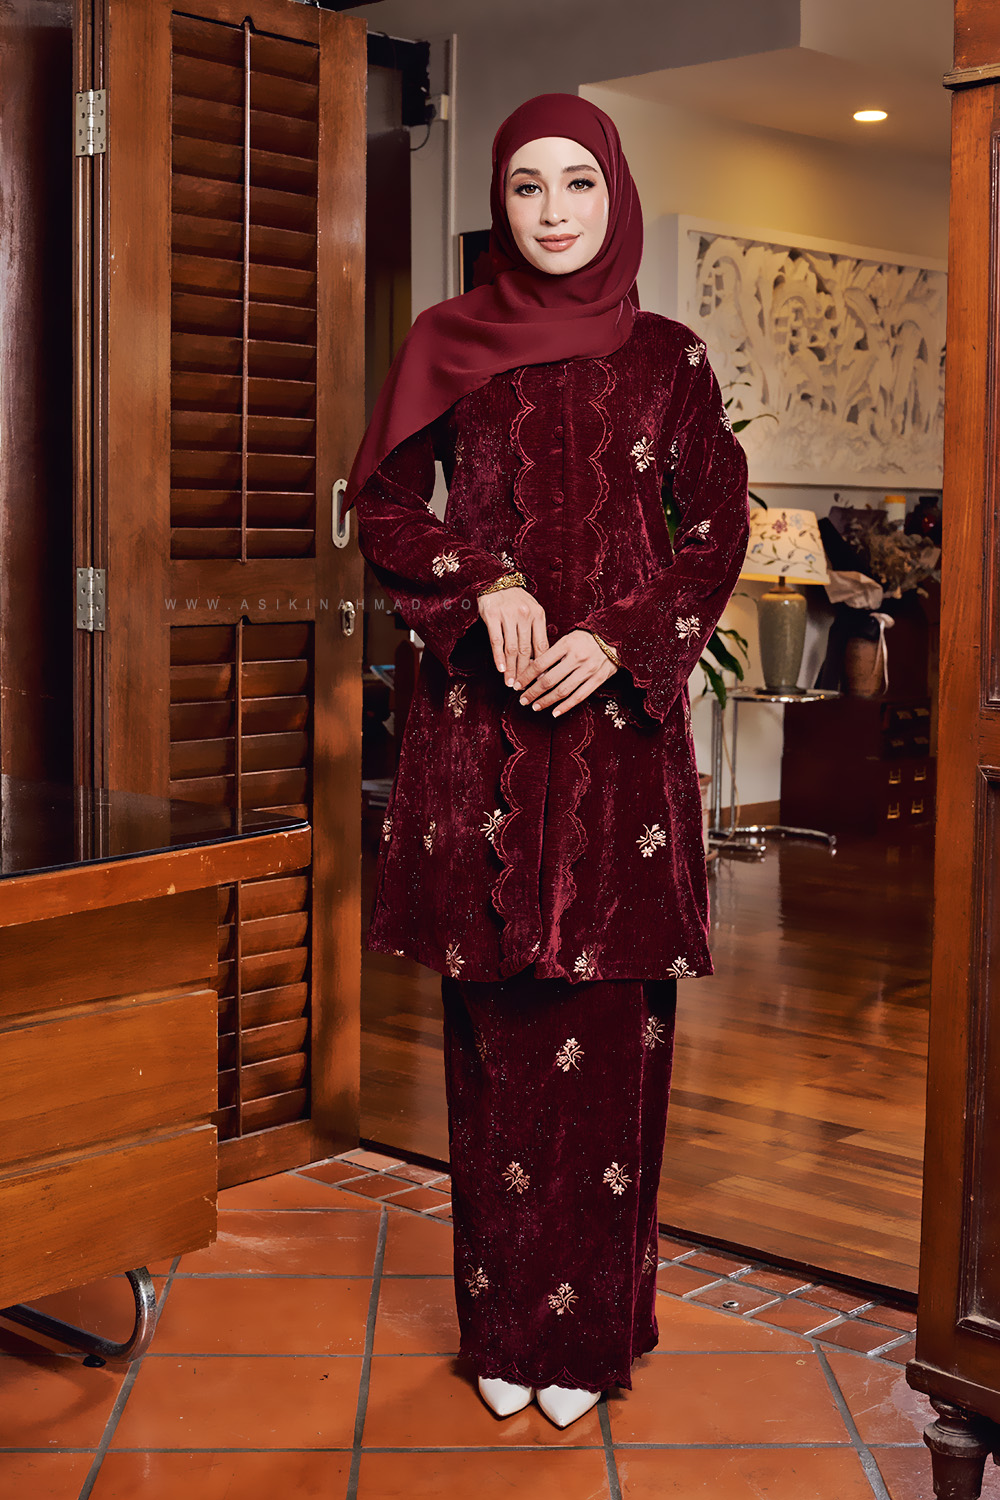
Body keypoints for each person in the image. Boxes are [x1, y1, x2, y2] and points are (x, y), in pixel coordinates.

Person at [343, 93, 750, 1428]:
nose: (556, 210)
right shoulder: (448, 343)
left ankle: (591, 1337)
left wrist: (625, 640)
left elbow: (719, 525)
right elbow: (383, 506)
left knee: (615, 1045)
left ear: (614, 194)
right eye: (529, 186)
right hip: (489, 742)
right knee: (499, 1043)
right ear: (500, 205)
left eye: (579, 183)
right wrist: (485, 583)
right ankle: (508, 1332)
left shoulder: (671, 358)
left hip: (622, 752)